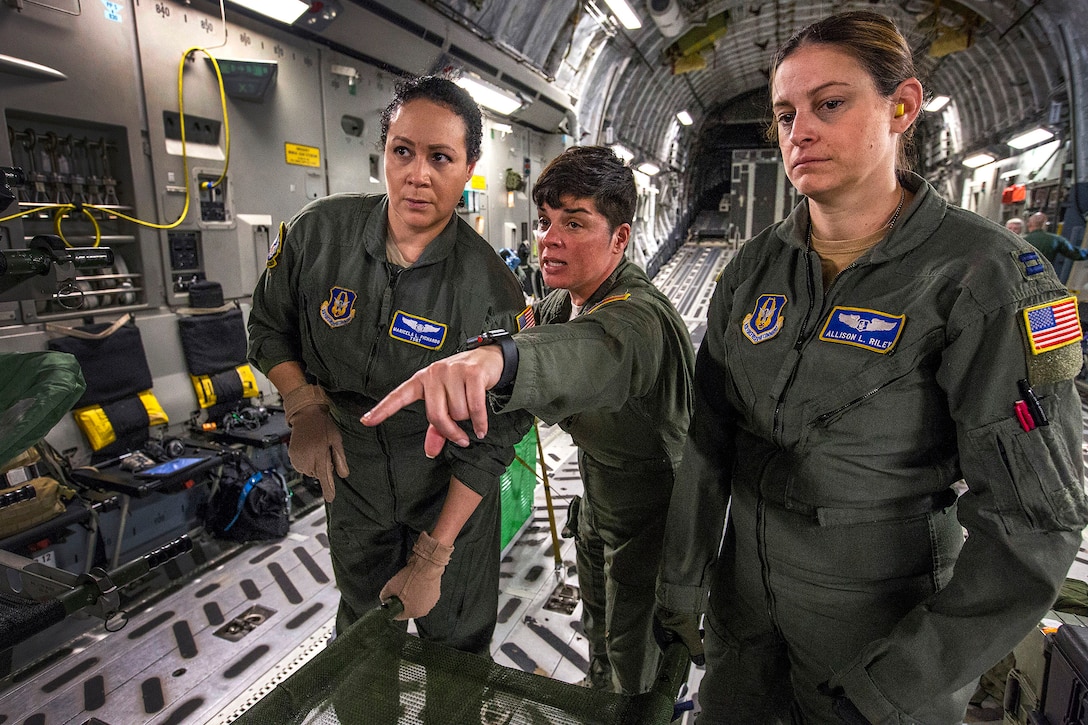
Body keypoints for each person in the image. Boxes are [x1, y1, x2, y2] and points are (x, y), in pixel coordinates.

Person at [656, 10, 1088, 724]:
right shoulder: (754, 266)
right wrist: (681, 583)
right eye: (785, 113)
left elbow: (1032, 520)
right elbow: (709, 439)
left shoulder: (983, 278)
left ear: (902, 106)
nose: (801, 131)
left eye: (830, 104)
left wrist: (900, 683)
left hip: (877, 634)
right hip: (744, 620)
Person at [363, 145, 697, 695]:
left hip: (657, 516)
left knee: (635, 656)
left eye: (574, 222)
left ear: (621, 238)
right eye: (544, 222)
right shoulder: (562, 305)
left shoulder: (640, 318)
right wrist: (433, 555)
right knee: (599, 635)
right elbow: (505, 411)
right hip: (598, 501)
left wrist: (500, 360)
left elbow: (582, 354)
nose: (550, 238)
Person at [247, 75, 533, 657]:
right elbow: (269, 327)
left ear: (470, 165)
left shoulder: (492, 289)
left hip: (448, 493)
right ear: (384, 152)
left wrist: (434, 555)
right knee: (362, 642)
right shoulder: (318, 236)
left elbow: (498, 432)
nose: (417, 175)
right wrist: (302, 403)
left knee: (455, 656)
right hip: (354, 478)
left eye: (441, 158)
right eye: (402, 151)